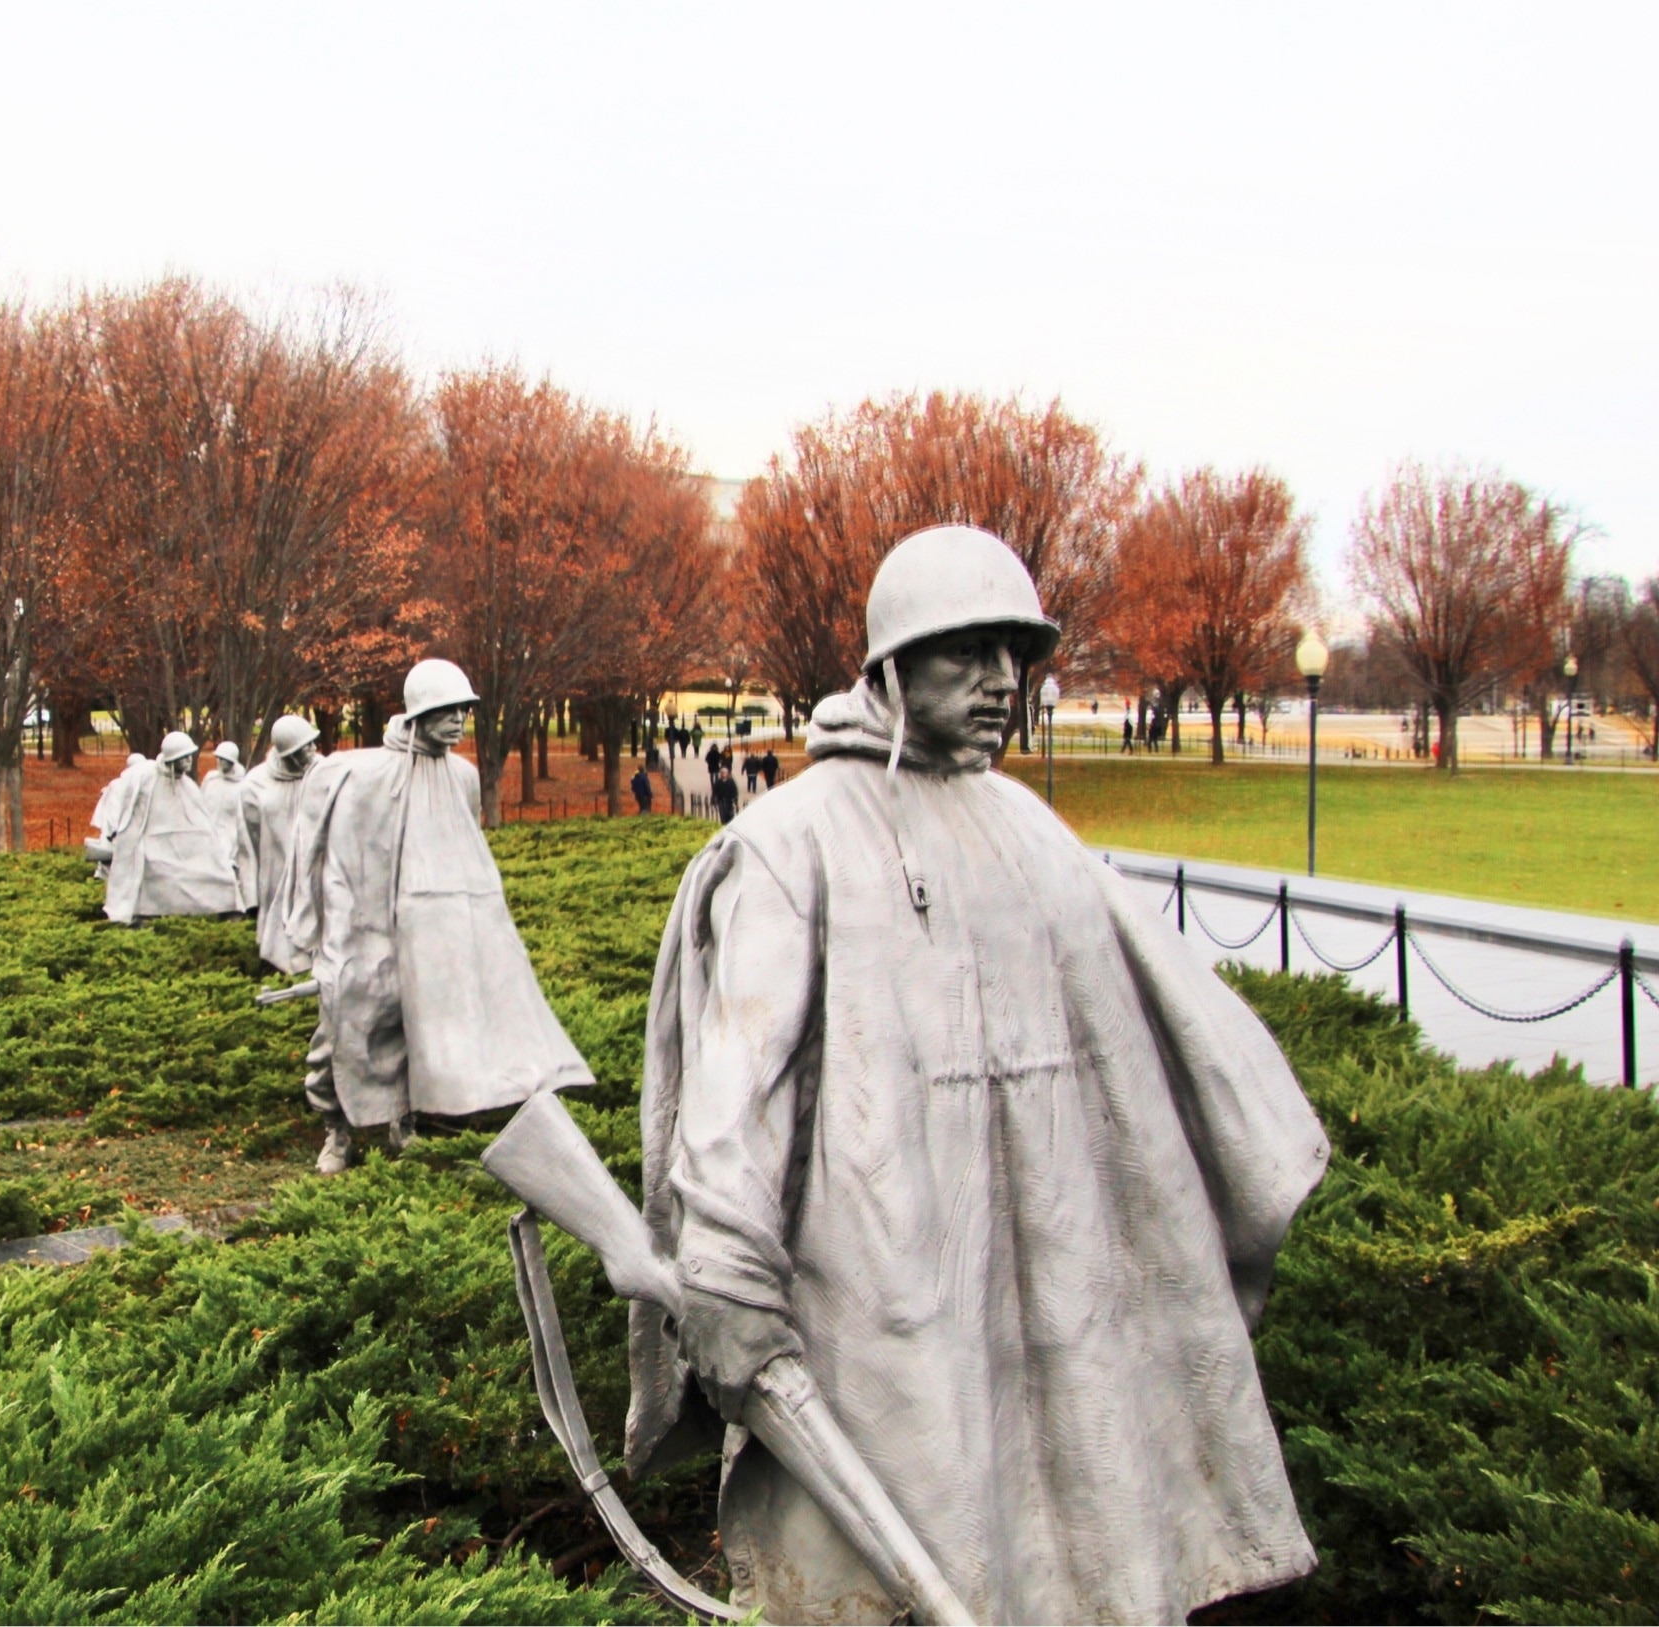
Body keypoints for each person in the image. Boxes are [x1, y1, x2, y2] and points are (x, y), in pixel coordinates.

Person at [629, 526, 1326, 1623]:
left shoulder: (1032, 829)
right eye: (967, 651)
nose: (1003, 680)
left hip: (1051, 1278)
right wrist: (723, 1266)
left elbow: (1149, 1049)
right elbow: (737, 1087)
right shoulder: (790, 840)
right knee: (888, 1563)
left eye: (1016, 652)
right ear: (891, 666)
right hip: (876, 1295)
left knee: (1061, 1540)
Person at [283, 658, 590, 1175]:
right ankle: (336, 1128)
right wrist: (326, 934)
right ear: (418, 713)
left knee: (416, 1030)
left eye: (463, 711)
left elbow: (466, 854)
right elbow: (327, 856)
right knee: (344, 1027)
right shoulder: (361, 774)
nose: (458, 722)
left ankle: (403, 1122)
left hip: (437, 933)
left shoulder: (464, 777)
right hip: (367, 927)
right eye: (446, 711)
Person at [103, 731, 240, 924]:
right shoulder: (145, 777)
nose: (190, 761)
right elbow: (124, 806)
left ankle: (229, 910)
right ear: (174, 758)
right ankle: (144, 915)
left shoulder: (188, 785)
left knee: (220, 875)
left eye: (190, 756)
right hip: (151, 848)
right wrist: (117, 832)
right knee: (154, 875)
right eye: (185, 757)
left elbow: (203, 824)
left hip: (182, 850)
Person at [241, 714, 322, 974]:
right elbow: (248, 839)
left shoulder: (326, 773)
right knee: (281, 926)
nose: (311, 751)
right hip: (276, 867)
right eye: (303, 748)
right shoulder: (255, 784)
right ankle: (280, 969)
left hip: (318, 864)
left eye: (312, 744)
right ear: (286, 753)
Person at [201, 740, 253, 912]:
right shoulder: (211, 779)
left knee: (228, 872)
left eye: (224, 759)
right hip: (209, 832)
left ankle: (233, 908)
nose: (220, 762)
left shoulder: (243, 785)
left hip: (230, 835)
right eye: (218, 758)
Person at [86, 751, 151, 876]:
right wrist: (115, 832)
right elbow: (113, 811)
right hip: (115, 831)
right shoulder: (118, 785)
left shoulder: (141, 785)